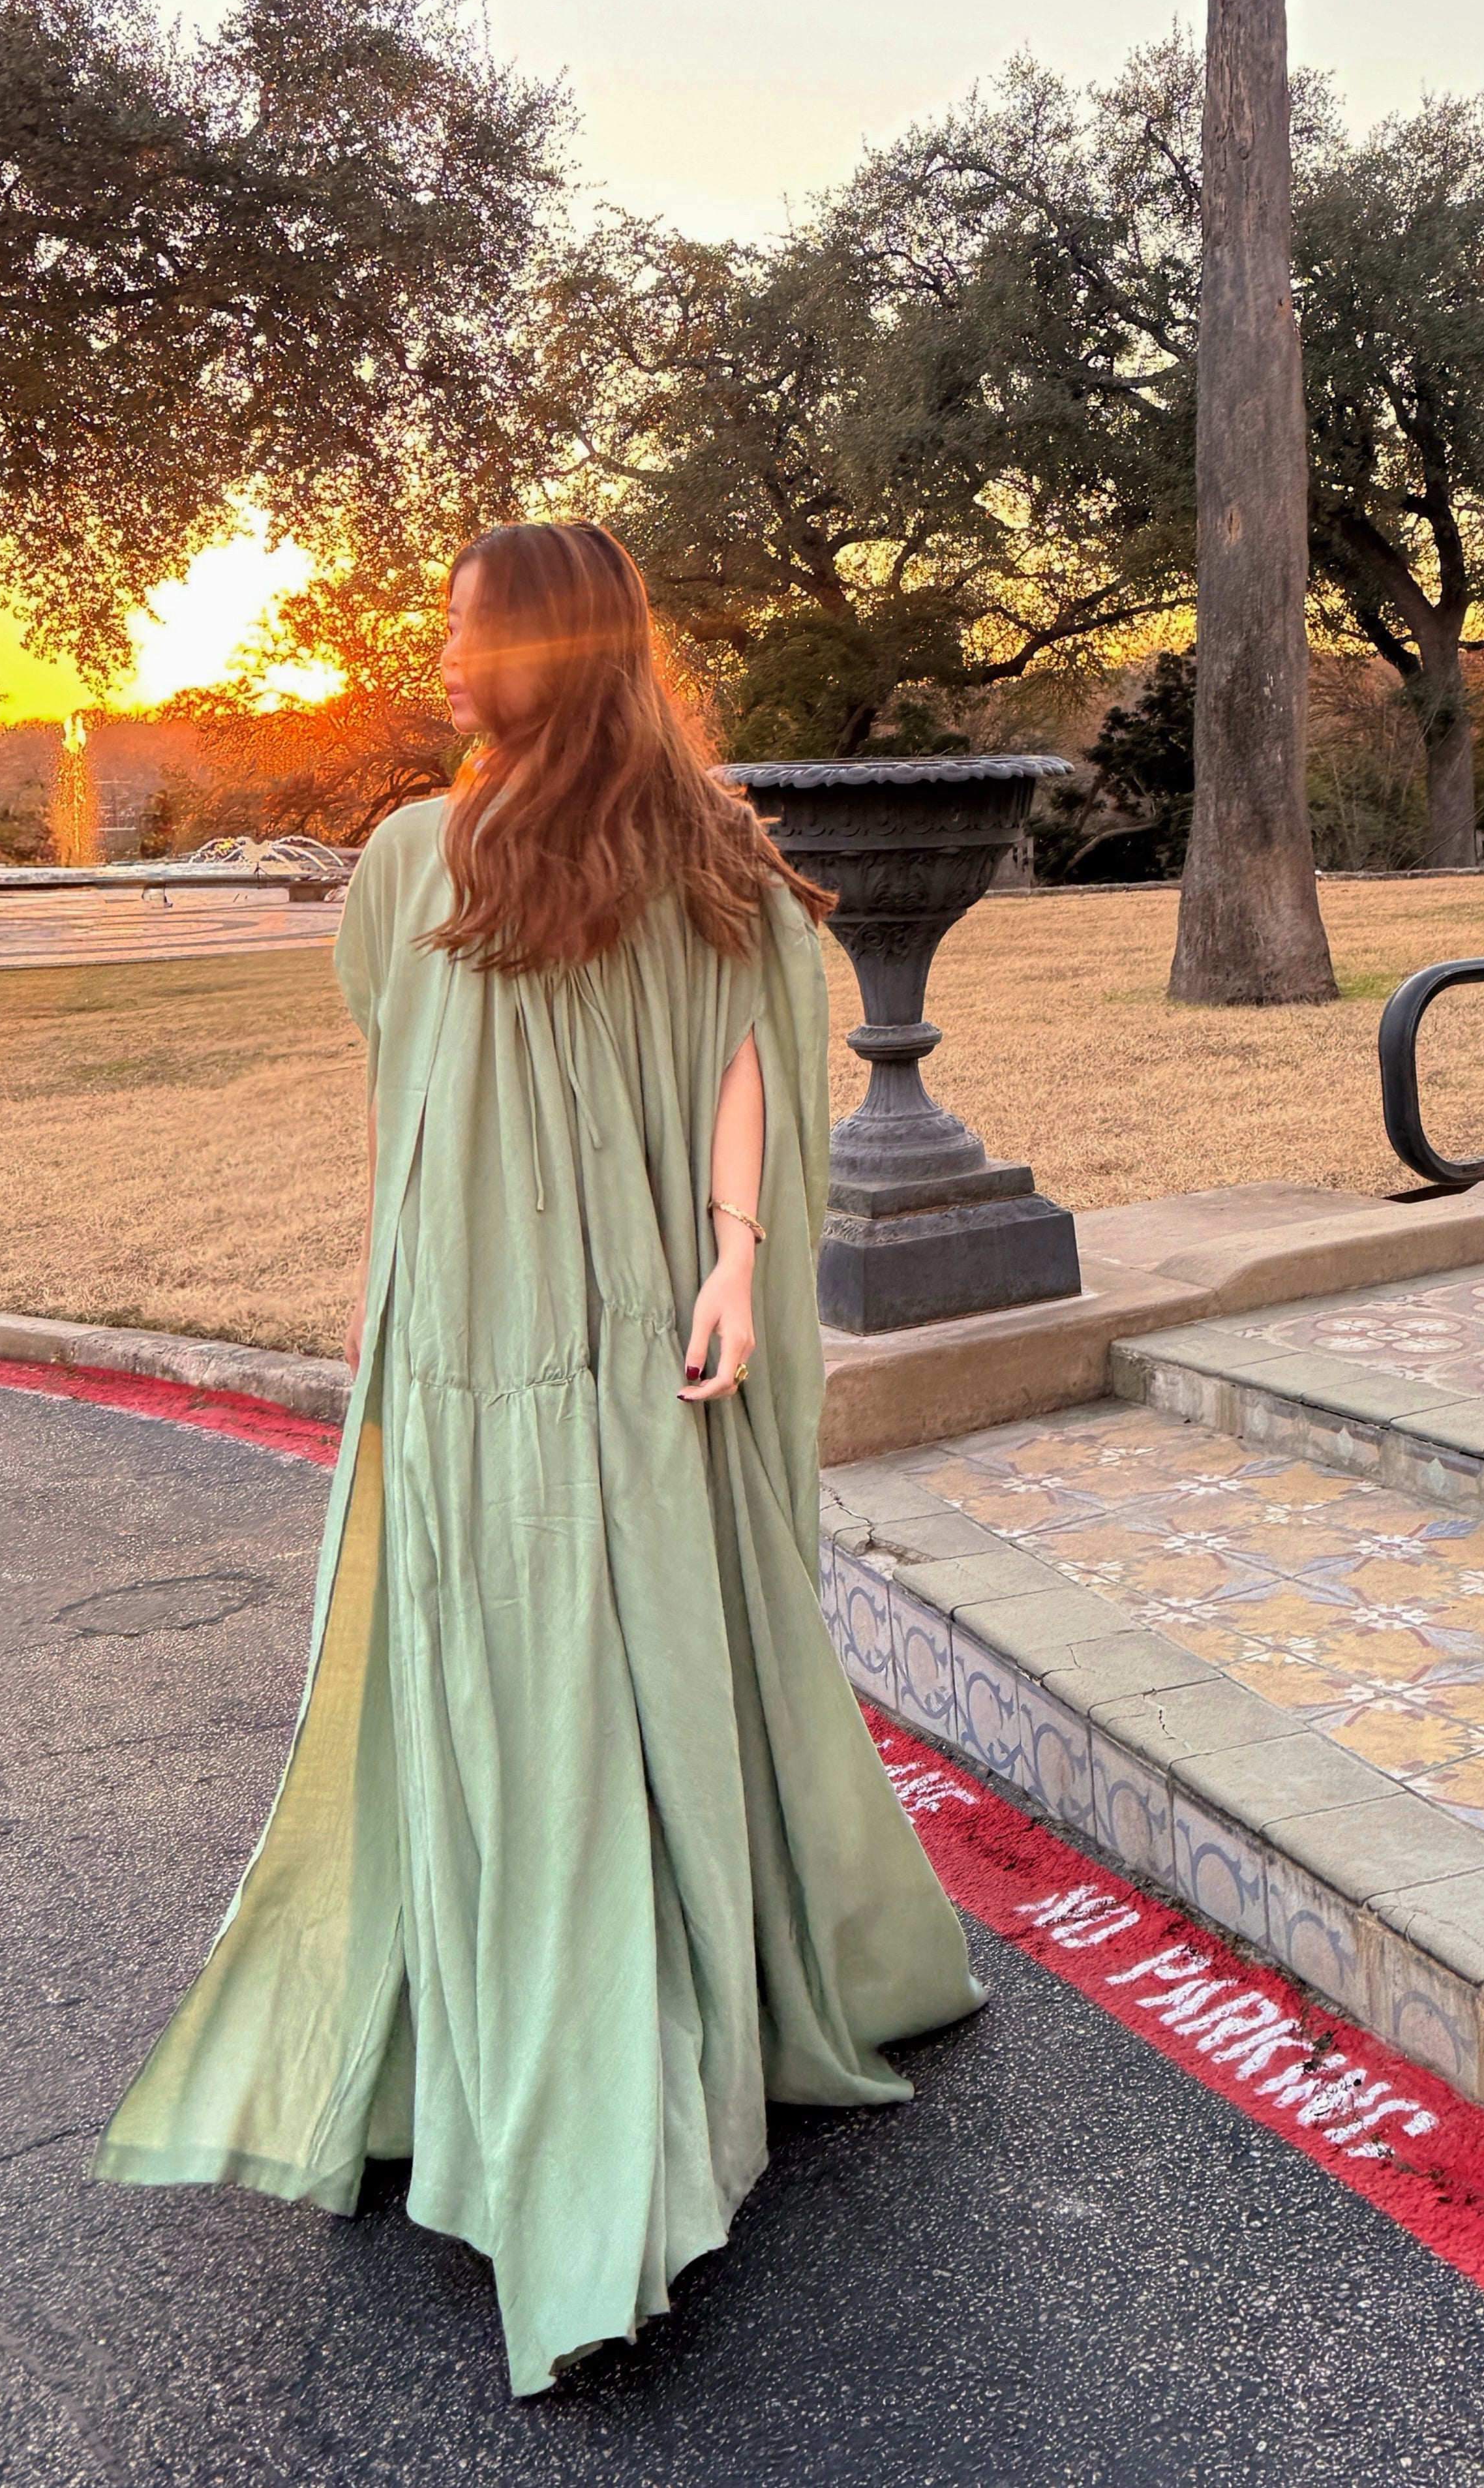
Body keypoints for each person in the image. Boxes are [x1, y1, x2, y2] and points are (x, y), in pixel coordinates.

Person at [94, 521, 985, 2394]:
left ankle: (557, 2056)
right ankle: (577, 2019)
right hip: (523, 1342)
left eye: (463, 633)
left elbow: (724, 1047)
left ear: (543, 653)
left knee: (548, 1678)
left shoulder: (538, 857)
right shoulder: (488, 850)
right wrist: (724, 1259)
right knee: (605, 1664)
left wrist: (735, 1254)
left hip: (564, 1348)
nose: (439, 659)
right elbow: (612, 1068)